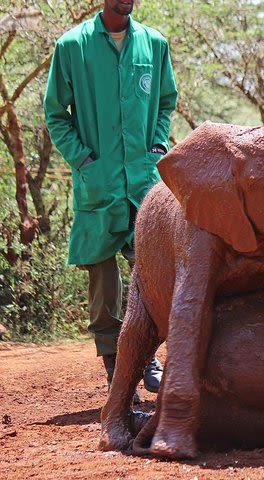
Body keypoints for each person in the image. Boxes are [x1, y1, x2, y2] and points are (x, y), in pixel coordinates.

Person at [44, 0, 176, 396]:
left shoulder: (154, 44)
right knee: (104, 286)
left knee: (151, 275)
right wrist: (84, 158)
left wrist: (157, 145)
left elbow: (165, 102)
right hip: (99, 185)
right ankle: (115, 368)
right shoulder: (73, 46)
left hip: (143, 183)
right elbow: (55, 113)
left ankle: (147, 356)